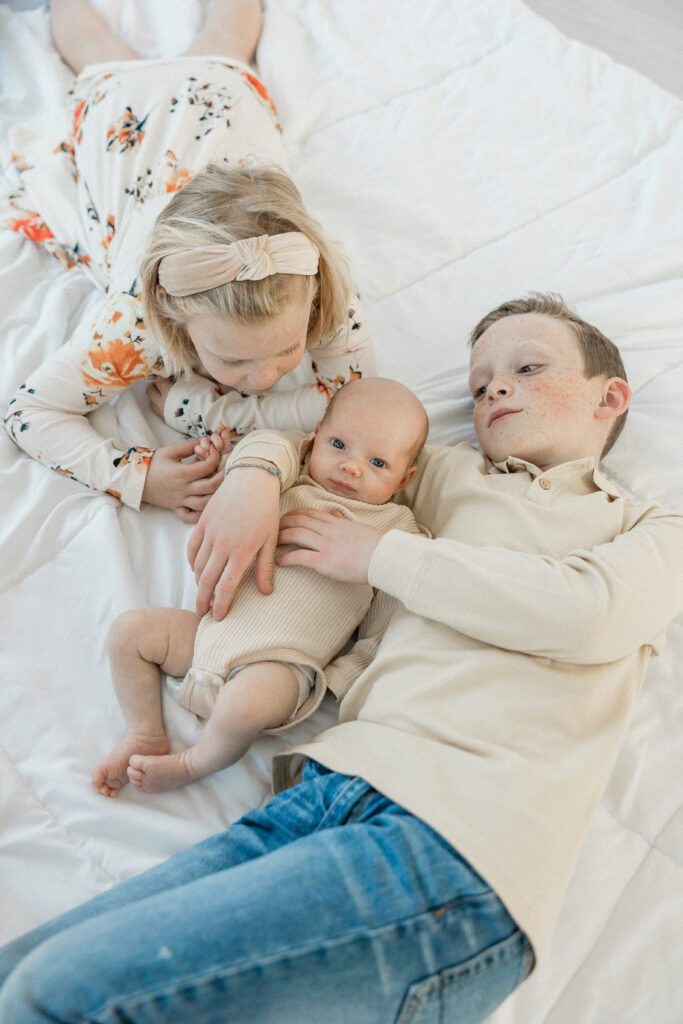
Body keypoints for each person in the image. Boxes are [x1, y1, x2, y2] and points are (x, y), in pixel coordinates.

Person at [1, 293, 682, 1024]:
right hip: (317, 800)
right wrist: (252, 475)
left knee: (63, 995)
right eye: (478, 384)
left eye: (526, 367)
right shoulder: (445, 479)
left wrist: (380, 553)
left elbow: (581, 614)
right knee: (17, 978)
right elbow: (324, 445)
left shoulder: (646, 525)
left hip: (456, 853)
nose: (494, 390)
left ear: (608, 396)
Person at [2, 0, 374, 523]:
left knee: (233, 28)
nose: (264, 378)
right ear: (175, 318)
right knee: (91, 44)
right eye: (232, 361)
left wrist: (202, 411)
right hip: (128, 107)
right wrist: (137, 475)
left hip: (217, 97)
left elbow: (350, 405)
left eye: (288, 349)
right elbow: (28, 411)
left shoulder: (318, 283)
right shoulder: (135, 325)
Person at [92, 377, 427, 797]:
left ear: (403, 480)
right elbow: (249, 462)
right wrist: (216, 461)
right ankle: (143, 734)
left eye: (378, 463)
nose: (351, 466)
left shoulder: (395, 532)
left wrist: (339, 678)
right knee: (130, 632)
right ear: (316, 436)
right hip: (206, 637)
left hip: (282, 665)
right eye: (339, 445)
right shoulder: (285, 479)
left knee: (242, 706)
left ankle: (195, 762)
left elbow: (385, 629)